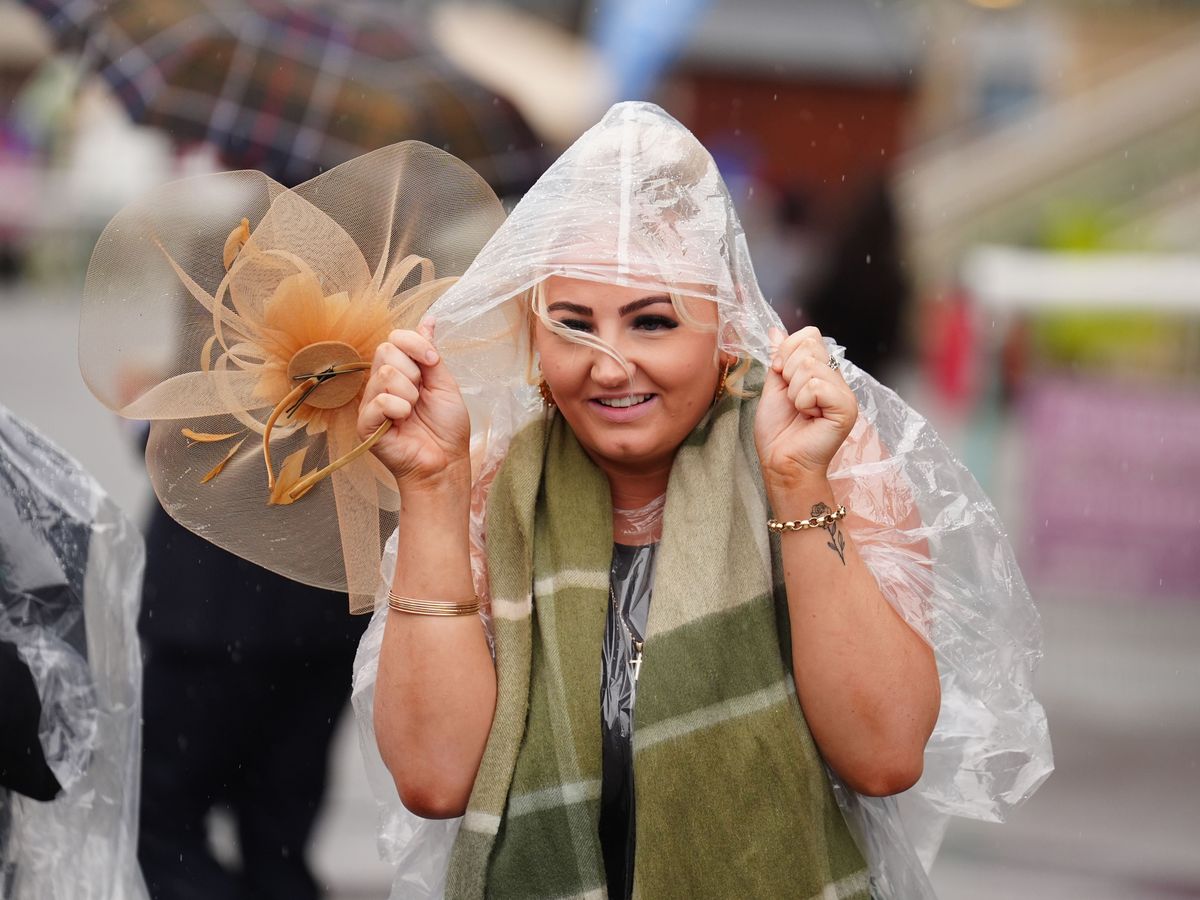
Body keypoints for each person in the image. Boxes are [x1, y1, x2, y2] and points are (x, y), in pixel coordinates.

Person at [351, 103, 1052, 899]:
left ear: (725, 327)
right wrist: (432, 488)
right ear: (531, 336)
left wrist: (796, 484)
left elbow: (886, 753)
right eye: (573, 324)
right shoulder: (494, 486)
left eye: (652, 322)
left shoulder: (822, 452)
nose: (610, 367)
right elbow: (436, 780)